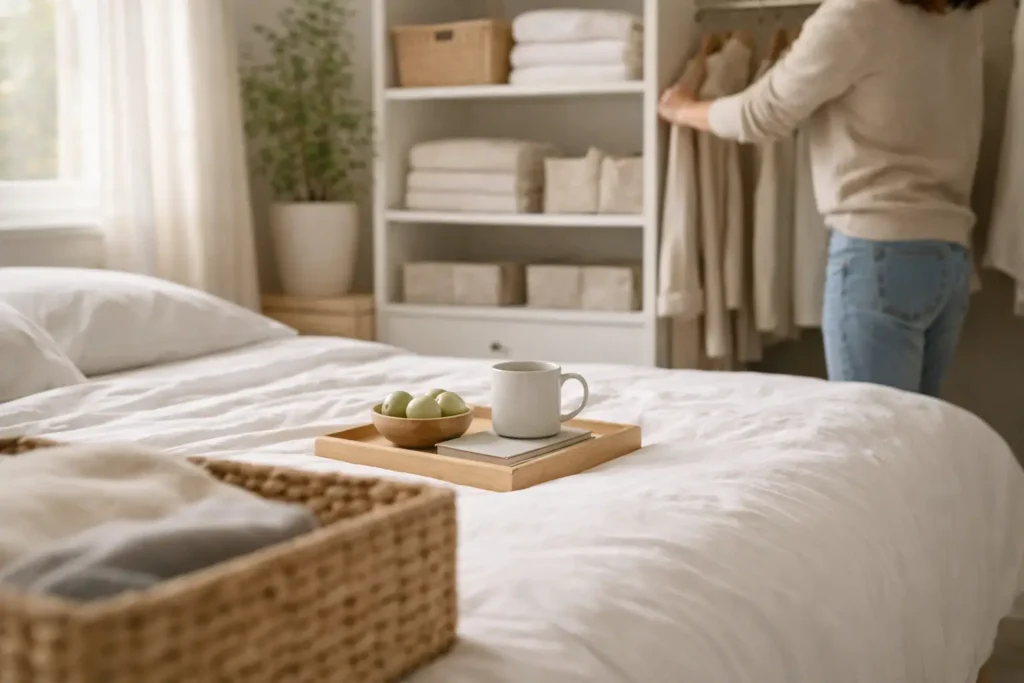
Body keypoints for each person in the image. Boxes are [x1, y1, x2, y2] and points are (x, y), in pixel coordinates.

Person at [657, 0, 986, 397]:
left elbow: (763, 112)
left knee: (870, 437)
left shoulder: (858, 13)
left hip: (878, 252)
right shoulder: (962, 15)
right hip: (948, 256)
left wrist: (683, 109)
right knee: (910, 440)